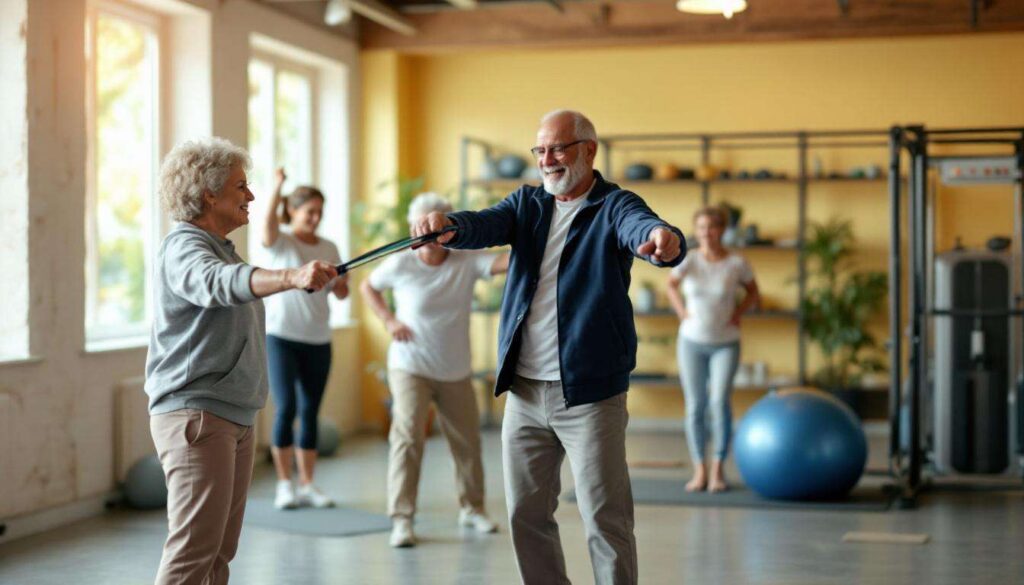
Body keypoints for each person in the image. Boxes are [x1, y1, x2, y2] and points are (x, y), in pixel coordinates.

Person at [412, 110, 684, 585]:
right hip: (524, 391)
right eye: (540, 150)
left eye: (558, 148)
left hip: (590, 396)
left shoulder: (614, 205)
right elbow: (484, 224)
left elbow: (644, 227)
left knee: (605, 518)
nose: (547, 159)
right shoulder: (528, 204)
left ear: (589, 150)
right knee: (525, 515)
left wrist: (664, 240)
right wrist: (449, 224)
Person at [145, 137, 338, 585]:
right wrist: (291, 275)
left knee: (218, 555)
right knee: (193, 552)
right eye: (241, 187)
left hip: (232, 414)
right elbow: (216, 283)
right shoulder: (185, 248)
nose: (250, 196)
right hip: (198, 415)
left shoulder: (221, 247)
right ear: (209, 193)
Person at [360, 192, 509, 548]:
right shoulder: (401, 263)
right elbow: (368, 286)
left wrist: (536, 232)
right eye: (423, 224)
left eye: (437, 224)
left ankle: (472, 508)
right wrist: (389, 320)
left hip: (455, 367)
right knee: (408, 438)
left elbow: (505, 262)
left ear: (447, 228)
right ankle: (402, 519)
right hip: (410, 365)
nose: (429, 232)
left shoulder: (466, 259)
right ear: (414, 226)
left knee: (467, 441)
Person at [259, 168, 349, 510]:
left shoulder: (330, 246)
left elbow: (342, 294)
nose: (315, 218)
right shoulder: (282, 241)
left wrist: (341, 283)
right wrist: (277, 187)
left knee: (310, 411)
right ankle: (285, 484)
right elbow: (267, 226)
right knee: (287, 408)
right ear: (293, 211)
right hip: (281, 338)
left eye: (319, 212)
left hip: (318, 340)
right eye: (309, 211)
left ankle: (308, 483)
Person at [666, 206, 760, 493]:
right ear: (696, 231)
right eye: (702, 227)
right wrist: (682, 311)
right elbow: (671, 285)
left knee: (719, 402)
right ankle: (700, 470)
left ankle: (718, 469)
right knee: (695, 406)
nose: (707, 232)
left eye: (713, 227)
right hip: (691, 342)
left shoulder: (737, 264)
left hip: (726, 343)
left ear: (723, 230)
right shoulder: (689, 260)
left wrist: (739, 312)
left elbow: (754, 292)